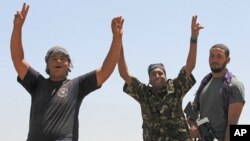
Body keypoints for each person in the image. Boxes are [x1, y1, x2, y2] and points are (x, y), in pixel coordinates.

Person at [10, 3, 124, 141]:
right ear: (47, 64)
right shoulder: (37, 83)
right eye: (54, 58)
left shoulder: (77, 86)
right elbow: (18, 60)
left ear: (68, 64)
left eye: (63, 59)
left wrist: (116, 38)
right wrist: (17, 28)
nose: (58, 61)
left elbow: (106, 70)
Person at [118, 15, 203, 141]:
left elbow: (190, 66)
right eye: (153, 74)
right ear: (149, 79)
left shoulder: (176, 87)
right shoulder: (143, 93)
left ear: (165, 75)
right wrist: (118, 41)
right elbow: (124, 74)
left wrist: (194, 37)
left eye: (160, 73)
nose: (157, 76)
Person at [188, 44, 245, 141]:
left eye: (219, 56)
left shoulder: (234, 86)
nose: (214, 60)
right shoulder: (204, 83)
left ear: (228, 60)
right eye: (212, 56)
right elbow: (191, 113)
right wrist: (194, 126)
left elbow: (232, 125)